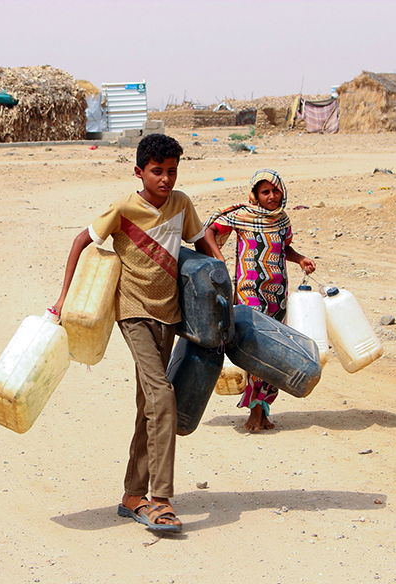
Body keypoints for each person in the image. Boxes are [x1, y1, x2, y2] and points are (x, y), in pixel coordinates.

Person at [52, 134, 211, 533]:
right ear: (139, 172)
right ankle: (161, 499)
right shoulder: (124, 208)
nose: (166, 179)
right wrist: (63, 297)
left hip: (169, 314)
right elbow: (81, 240)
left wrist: (222, 272)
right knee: (162, 394)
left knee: (149, 404)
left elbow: (201, 238)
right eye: (157, 171)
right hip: (133, 312)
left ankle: (131, 494)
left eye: (172, 171)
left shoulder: (181, 204)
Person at [202, 169, 315, 432]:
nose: (272, 196)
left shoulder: (282, 221)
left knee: (275, 350)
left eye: (276, 191)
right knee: (256, 347)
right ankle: (254, 409)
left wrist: (300, 259)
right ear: (255, 194)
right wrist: (218, 256)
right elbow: (208, 231)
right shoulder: (241, 217)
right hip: (248, 290)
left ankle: (264, 409)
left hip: (277, 293)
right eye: (265, 192)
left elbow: (283, 248)